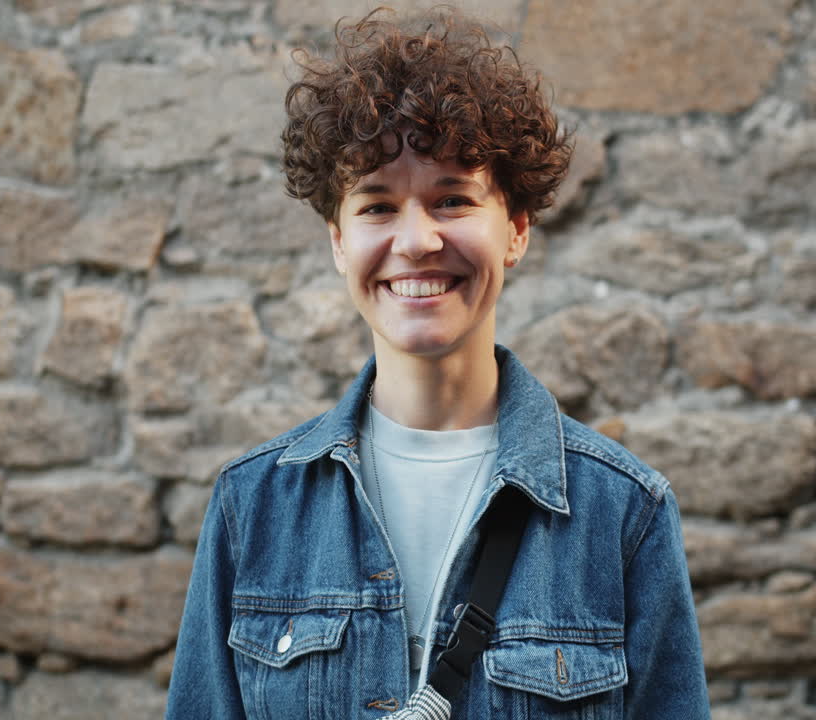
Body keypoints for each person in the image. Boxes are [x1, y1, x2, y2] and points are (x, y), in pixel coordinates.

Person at [165, 7, 709, 719]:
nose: (417, 241)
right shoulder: (254, 507)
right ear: (337, 241)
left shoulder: (623, 514)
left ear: (515, 229)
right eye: (377, 206)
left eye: (452, 199)